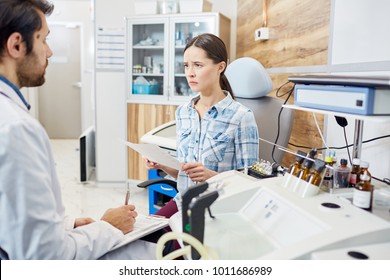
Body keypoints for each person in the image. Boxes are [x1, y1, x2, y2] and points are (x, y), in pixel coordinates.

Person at [0, 0, 156, 260]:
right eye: (44, 40)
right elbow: (46, 258)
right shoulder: (15, 129)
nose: (49, 52)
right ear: (17, 44)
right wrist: (107, 227)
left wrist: (66, 225)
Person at [144, 33, 259, 218]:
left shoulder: (241, 117)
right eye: (186, 66)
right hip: (184, 201)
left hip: (217, 208)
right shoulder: (183, 112)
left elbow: (250, 183)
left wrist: (210, 176)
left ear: (220, 67)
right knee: (144, 237)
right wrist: (162, 164)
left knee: (171, 245)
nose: (190, 73)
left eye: (198, 65)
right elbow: (184, 177)